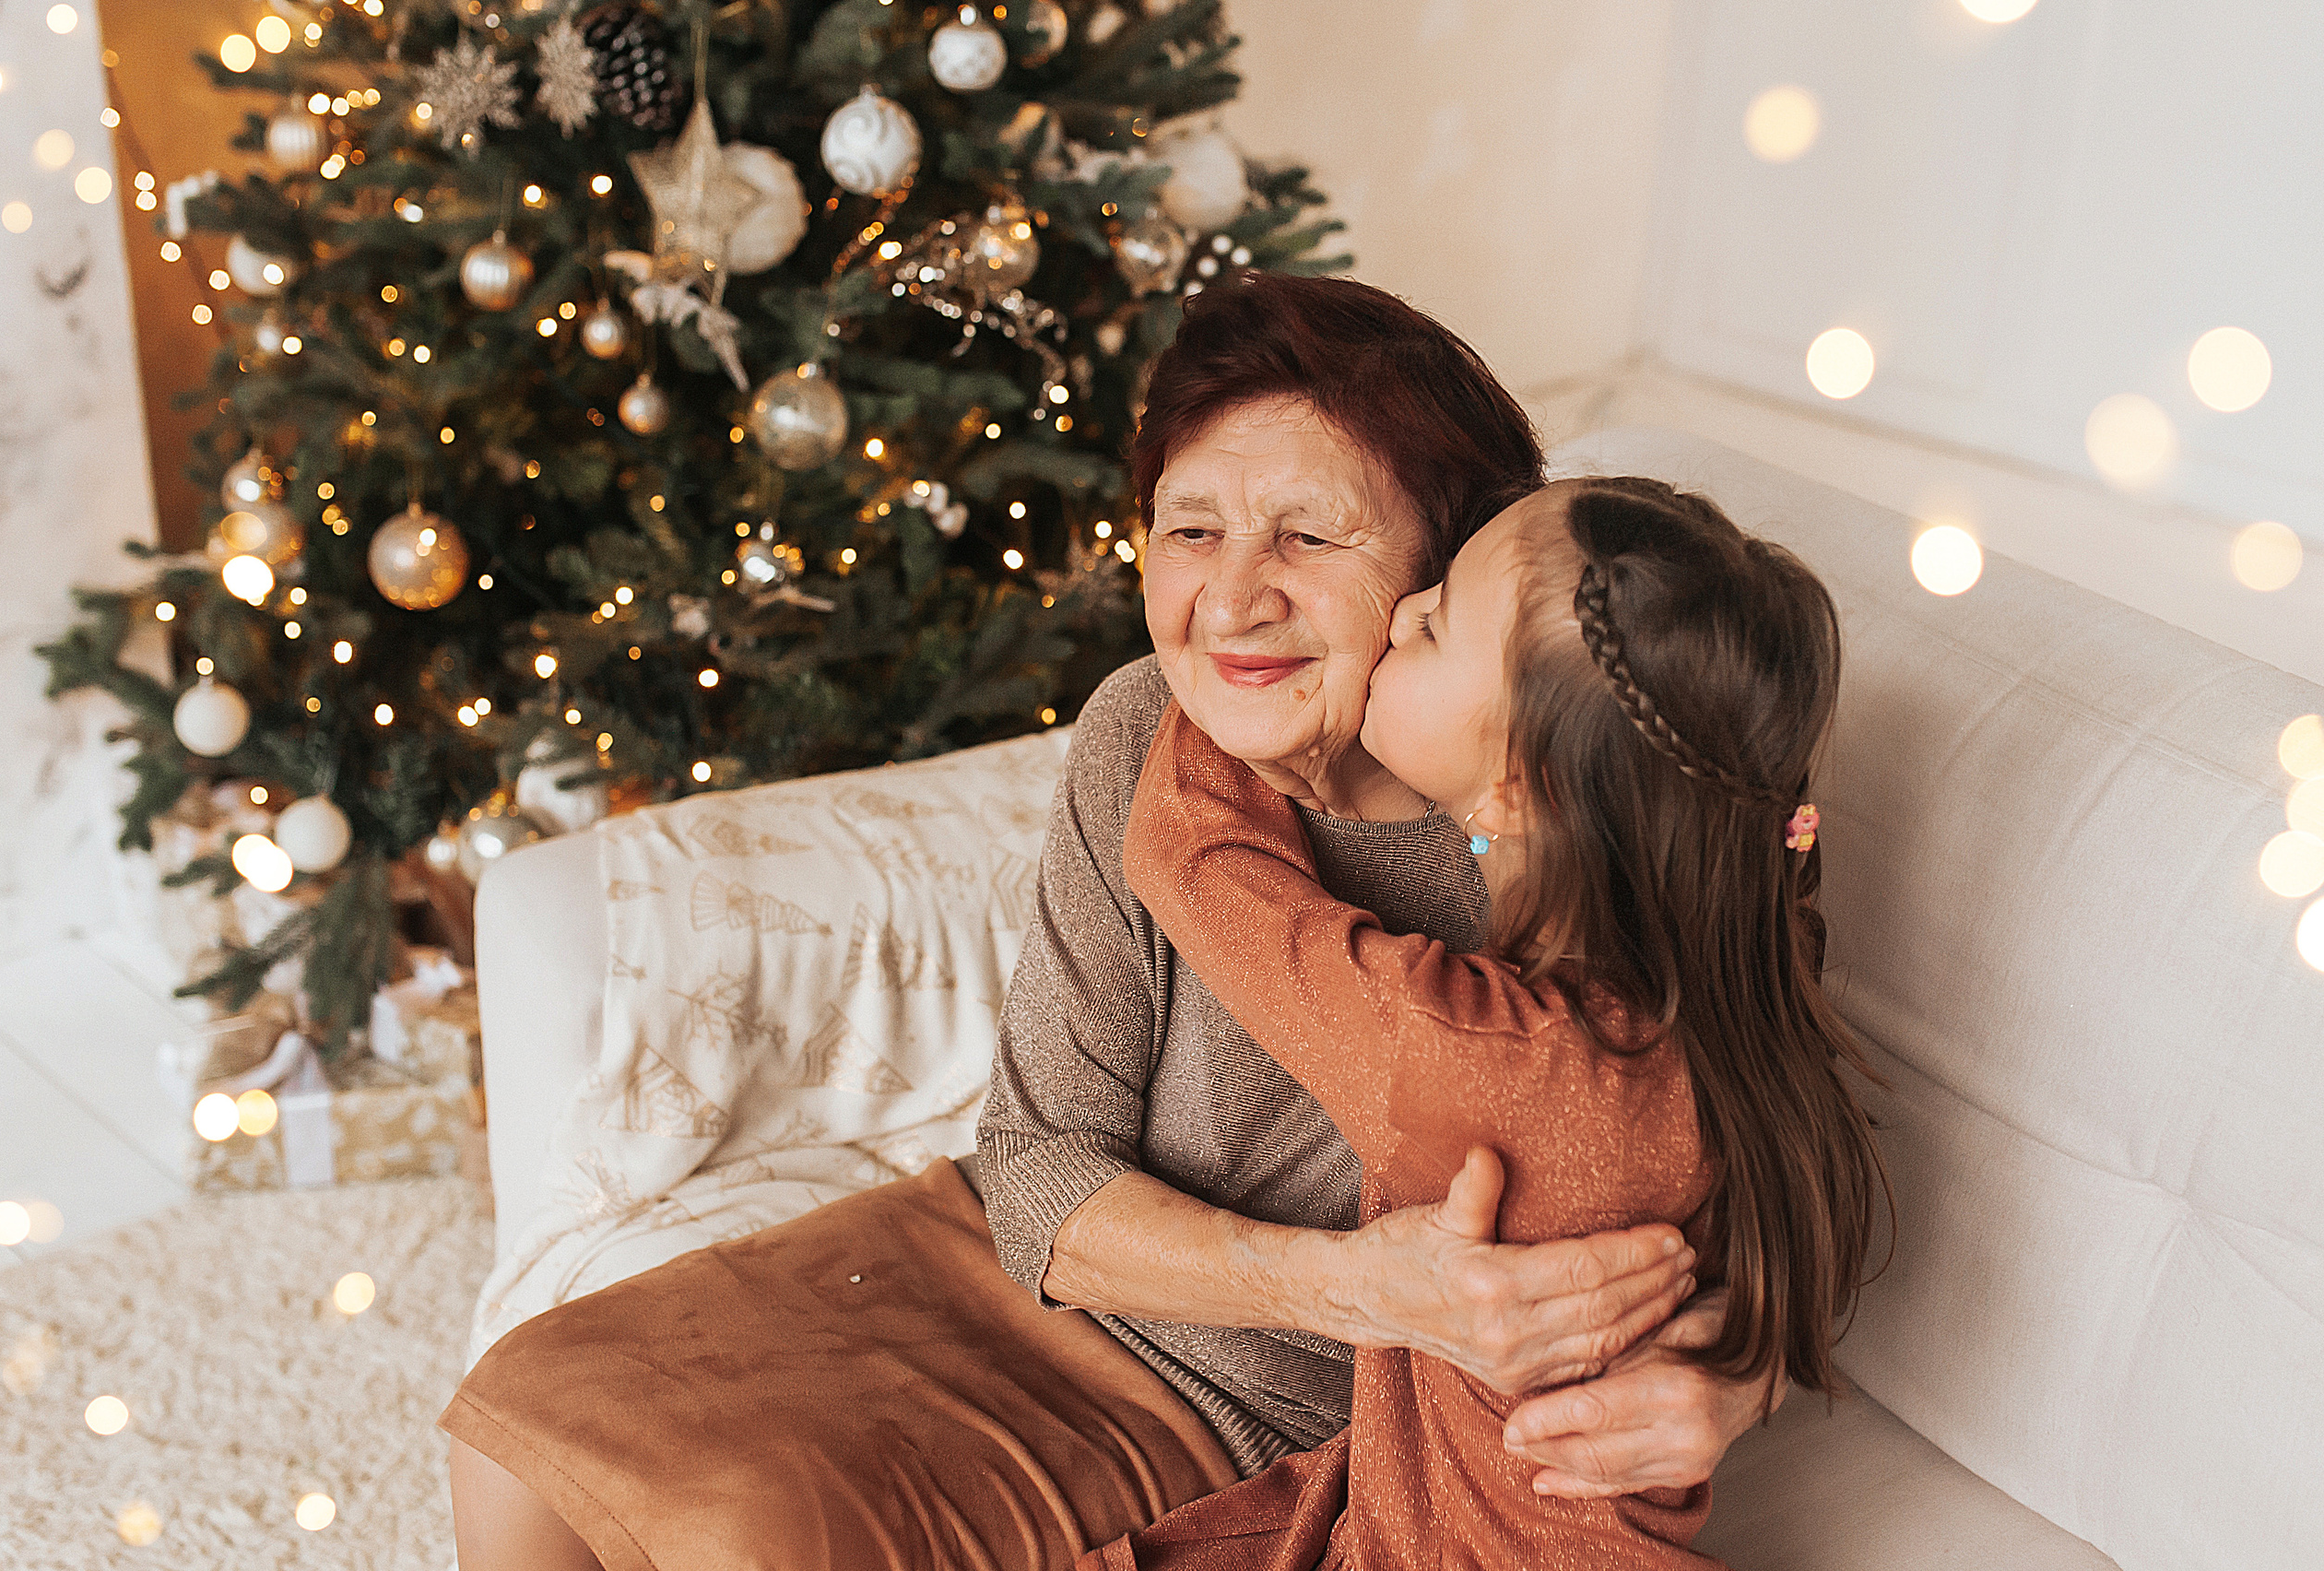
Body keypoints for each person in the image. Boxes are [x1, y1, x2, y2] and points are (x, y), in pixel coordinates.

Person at [440, 277, 1777, 1571]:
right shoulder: (1149, 727)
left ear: (1451, 565)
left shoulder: (1571, 828)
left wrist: (1739, 1373)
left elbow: (1764, 1149)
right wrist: (1352, 1280)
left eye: (1310, 537)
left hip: (1247, 1404)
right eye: (1192, 530)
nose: (1233, 598)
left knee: (761, 1535)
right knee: (534, 1406)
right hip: (1021, 1261)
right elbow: (1033, 1171)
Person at [1078, 476, 1887, 1568]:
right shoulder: (1734, 997)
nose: (1404, 609)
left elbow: (1193, 860)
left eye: (1441, 612)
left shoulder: (1477, 1055)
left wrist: (1219, 656)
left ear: (1512, 788)